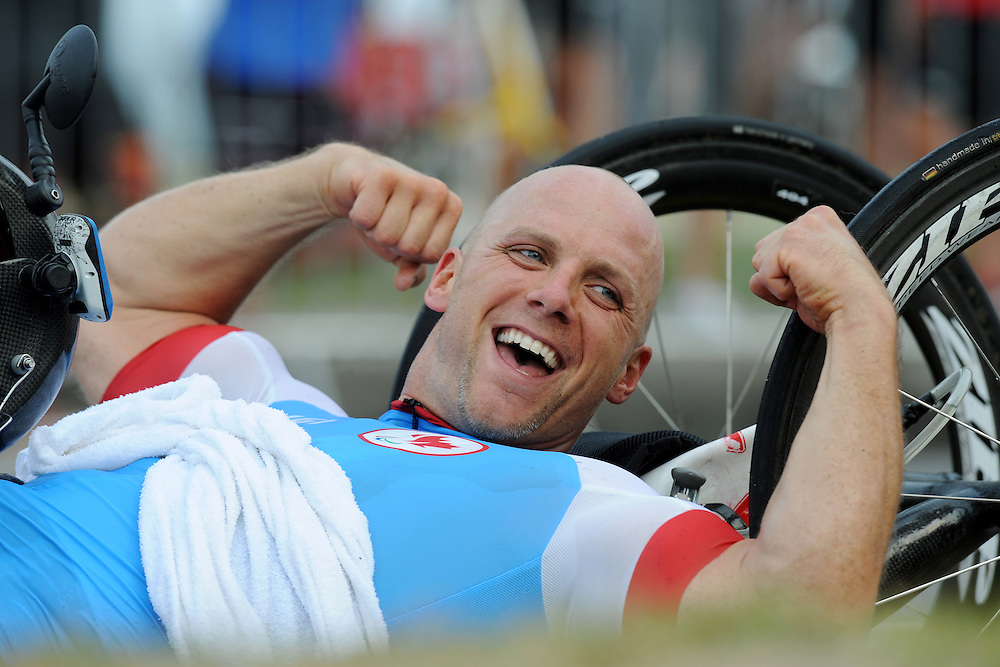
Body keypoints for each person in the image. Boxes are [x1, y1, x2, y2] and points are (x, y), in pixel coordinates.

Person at [0, 142, 902, 659]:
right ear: (446, 273)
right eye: (530, 253)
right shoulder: (271, 413)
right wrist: (322, 183)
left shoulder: (595, 523)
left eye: (605, 292)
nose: (554, 296)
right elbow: (114, 296)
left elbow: (804, 606)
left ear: (631, 374)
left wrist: (862, 316)